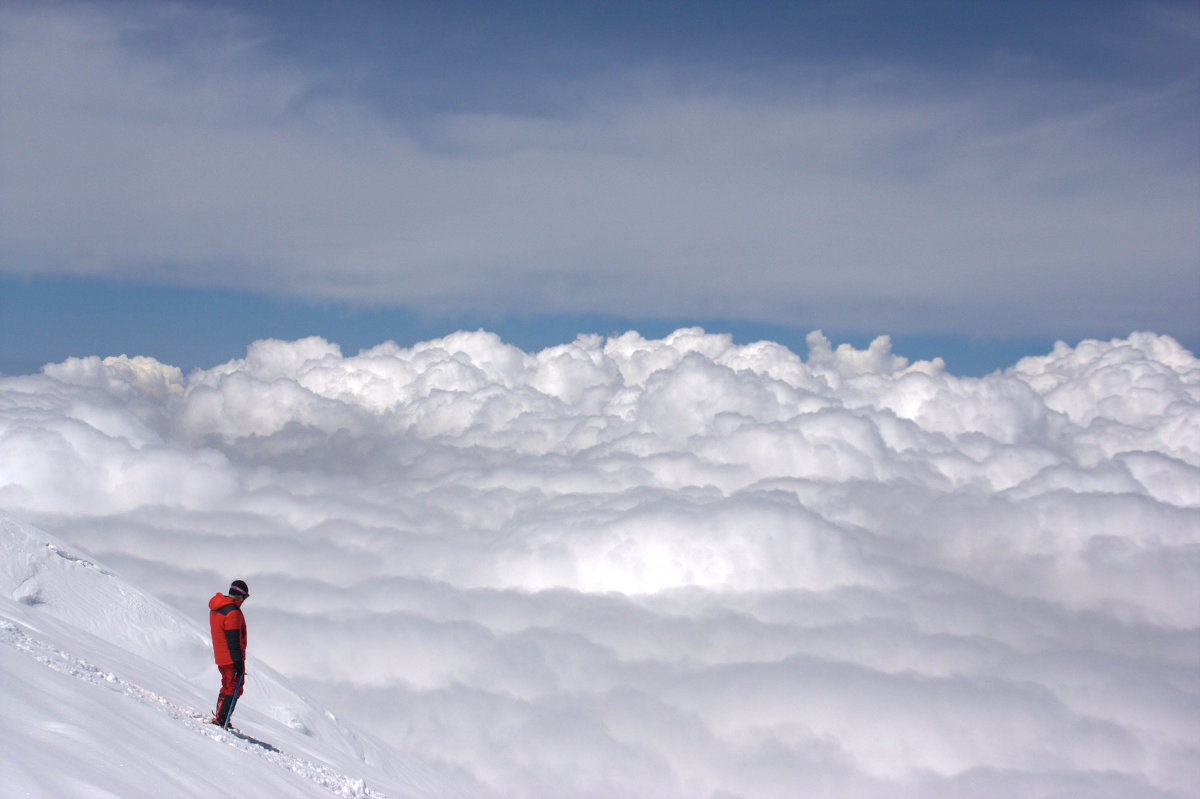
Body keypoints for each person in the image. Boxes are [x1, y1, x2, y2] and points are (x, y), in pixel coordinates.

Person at [208, 579, 249, 727]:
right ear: (241, 596)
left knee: (227, 685)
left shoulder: (218, 607)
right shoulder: (233, 612)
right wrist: (238, 662)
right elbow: (233, 640)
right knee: (234, 687)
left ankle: (221, 716)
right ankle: (222, 719)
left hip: (221, 655)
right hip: (231, 657)